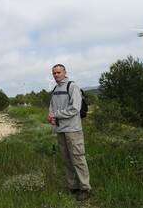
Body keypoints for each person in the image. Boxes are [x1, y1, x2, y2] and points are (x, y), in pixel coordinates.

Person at [48, 64, 91, 201]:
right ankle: (73, 187)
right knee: (67, 160)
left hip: (73, 130)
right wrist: (51, 116)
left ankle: (85, 188)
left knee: (78, 159)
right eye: (54, 73)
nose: (56, 75)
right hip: (60, 130)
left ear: (65, 72)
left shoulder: (72, 86)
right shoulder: (55, 89)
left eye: (58, 72)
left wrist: (57, 114)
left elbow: (75, 109)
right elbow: (52, 107)